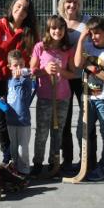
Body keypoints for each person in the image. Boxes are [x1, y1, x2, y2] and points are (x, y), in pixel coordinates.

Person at [0, 0, 39, 164]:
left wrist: (33, 73)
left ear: (29, 14)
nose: (20, 10)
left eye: (25, 9)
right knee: (2, 116)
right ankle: (7, 154)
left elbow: (36, 56)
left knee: (19, 116)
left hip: (19, 83)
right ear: (12, 6)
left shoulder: (30, 32)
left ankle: (19, 155)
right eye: (18, 6)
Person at [74, 16, 104, 181]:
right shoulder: (87, 46)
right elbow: (77, 62)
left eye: (98, 33)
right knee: (82, 131)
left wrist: (93, 69)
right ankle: (87, 163)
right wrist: (81, 38)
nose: (94, 37)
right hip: (88, 97)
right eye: (92, 34)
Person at [30, 15, 75, 177]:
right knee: (42, 131)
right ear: (49, 30)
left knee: (58, 131)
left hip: (63, 97)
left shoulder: (67, 49)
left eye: (61, 28)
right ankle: (37, 163)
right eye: (54, 28)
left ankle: (53, 162)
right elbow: (32, 71)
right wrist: (45, 70)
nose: (57, 31)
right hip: (45, 96)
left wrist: (60, 71)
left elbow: (71, 74)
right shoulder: (40, 47)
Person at [57, 0, 92, 172]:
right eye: (68, 2)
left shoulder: (87, 21)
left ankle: (87, 159)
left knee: (87, 119)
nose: (72, 5)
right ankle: (67, 159)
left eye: (75, 2)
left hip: (84, 77)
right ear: (63, 3)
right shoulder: (58, 23)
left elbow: (98, 40)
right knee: (65, 120)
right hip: (64, 78)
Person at [5, 50, 35, 175]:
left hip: (23, 121)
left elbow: (26, 94)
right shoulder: (9, 81)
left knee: (22, 148)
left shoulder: (25, 81)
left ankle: (25, 170)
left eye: (21, 65)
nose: (19, 68)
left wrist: (20, 78)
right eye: (15, 65)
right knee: (13, 147)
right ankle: (15, 169)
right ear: (10, 67)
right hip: (11, 120)